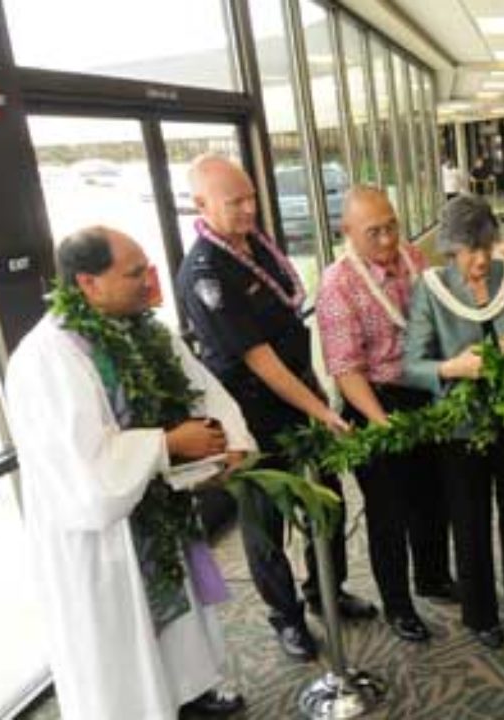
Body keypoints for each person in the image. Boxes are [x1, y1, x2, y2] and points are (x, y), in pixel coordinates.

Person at [8, 226, 251, 719]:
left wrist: (233, 442)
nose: (149, 281)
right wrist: (168, 444)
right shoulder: (49, 356)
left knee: (177, 620)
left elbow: (201, 389)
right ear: (88, 284)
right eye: (134, 272)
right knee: (123, 646)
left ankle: (188, 691)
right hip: (103, 539)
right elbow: (85, 468)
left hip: (156, 510)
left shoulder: (141, 329)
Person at [176, 155, 375, 664]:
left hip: (301, 401)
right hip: (253, 417)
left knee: (326, 503)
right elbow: (260, 360)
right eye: (233, 202)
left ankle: (325, 591)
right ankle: (286, 617)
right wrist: (324, 410)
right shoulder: (206, 272)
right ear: (200, 205)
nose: (248, 209)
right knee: (266, 526)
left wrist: (315, 405)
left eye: (250, 197)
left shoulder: (257, 248)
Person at [402, 195, 504, 650]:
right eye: (470, 250)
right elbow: (411, 365)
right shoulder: (431, 288)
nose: (481, 259)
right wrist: (451, 369)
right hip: (461, 428)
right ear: (450, 250)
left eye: (486, 246)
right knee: (470, 520)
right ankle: (481, 614)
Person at [317, 185, 457, 643]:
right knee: (388, 512)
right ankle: (398, 605)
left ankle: (433, 577)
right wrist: (380, 422)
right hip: (373, 401)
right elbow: (345, 369)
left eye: (391, 225)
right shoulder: (338, 284)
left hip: (425, 392)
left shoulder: (414, 258)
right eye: (374, 232)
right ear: (348, 232)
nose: (387, 239)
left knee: (433, 497)